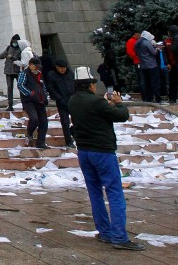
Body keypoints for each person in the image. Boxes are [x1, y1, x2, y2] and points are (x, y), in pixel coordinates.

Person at [69, 66, 146, 251]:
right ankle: (119, 237)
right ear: (90, 85)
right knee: (114, 193)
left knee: (95, 193)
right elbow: (122, 116)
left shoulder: (72, 101)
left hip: (84, 152)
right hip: (102, 151)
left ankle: (104, 232)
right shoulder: (97, 102)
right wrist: (118, 103)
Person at [18, 57, 49, 149]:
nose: (37, 68)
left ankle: (41, 142)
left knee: (44, 122)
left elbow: (43, 86)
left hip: (40, 101)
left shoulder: (40, 74)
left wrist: (45, 96)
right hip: (29, 101)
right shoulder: (24, 73)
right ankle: (30, 132)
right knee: (34, 118)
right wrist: (29, 93)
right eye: (36, 66)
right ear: (31, 65)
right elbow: (20, 85)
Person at [45, 58, 76, 148]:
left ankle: (73, 133)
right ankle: (68, 141)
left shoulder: (70, 73)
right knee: (65, 122)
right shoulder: (52, 75)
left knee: (77, 121)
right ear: (57, 67)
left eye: (64, 68)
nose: (63, 70)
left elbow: (75, 85)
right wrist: (58, 98)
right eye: (61, 68)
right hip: (62, 102)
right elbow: (50, 88)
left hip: (72, 100)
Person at [0, 35, 23, 110]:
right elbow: (2, 56)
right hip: (8, 71)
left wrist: (12, 57)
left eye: (16, 42)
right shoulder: (8, 47)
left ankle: (24, 104)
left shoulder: (21, 49)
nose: (14, 43)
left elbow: (21, 60)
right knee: (9, 88)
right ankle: (10, 105)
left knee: (21, 87)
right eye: (13, 41)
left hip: (17, 71)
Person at [134, 30, 162, 103]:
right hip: (152, 65)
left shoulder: (137, 43)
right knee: (155, 83)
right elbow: (154, 52)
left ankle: (148, 98)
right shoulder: (146, 42)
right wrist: (157, 49)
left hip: (143, 66)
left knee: (146, 83)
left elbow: (137, 53)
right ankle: (158, 98)